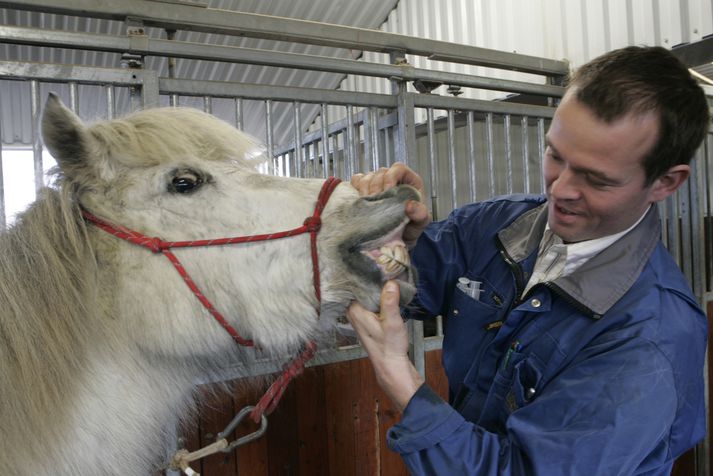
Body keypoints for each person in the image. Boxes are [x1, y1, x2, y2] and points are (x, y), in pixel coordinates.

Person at [346, 45, 709, 475]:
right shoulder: (495, 226)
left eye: (596, 178)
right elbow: (411, 288)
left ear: (665, 182)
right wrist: (391, 241)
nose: (560, 190)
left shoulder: (649, 339)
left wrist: (401, 380)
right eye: (555, 155)